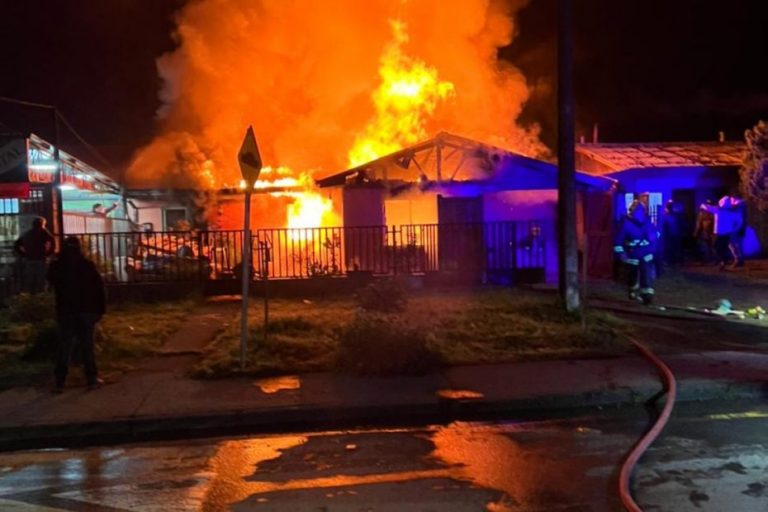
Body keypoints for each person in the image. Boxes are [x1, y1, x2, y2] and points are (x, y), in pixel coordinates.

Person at [47, 236, 106, 393]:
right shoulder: (87, 265)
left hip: (66, 310)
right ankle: (91, 379)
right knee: (87, 346)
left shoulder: (57, 266)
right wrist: (100, 309)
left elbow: (50, 281)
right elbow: (99, 288)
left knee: (65, 346)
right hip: (87, 309)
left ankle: (60, 381)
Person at [614, 200, 658, 305]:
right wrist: (622, 254)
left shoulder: (648, 223)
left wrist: (651, 252)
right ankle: (632, 290)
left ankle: (647, 297)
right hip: (632, 255)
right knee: (632, 276)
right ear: (632, 211)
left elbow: (655, 237)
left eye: (640, 211)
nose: (638, 213)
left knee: (646, 275)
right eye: (636, 211)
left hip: (645, 254)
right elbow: (618, 241)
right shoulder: (626, 224)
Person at [701, 194, 745, 269]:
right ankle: (725, 261)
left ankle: (724, 261)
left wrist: (703, 205)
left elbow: (707, 207)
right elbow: (739, 221)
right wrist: (736, 228)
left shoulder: (719, 210)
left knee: (718, 247)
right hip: (727, 232)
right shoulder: (731, 212)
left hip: (720, 233)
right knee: (725, 247)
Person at [13, 216, 56, 293]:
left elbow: (16, 244)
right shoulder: (43, 232)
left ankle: (31, 297)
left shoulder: (27, 233)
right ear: (42, 224)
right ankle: (41, 298)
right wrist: (48, 254)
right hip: (41, 259)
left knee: (30, 281)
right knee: (41, 281)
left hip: (29, 260)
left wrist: (24, 254)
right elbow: (53, 242)